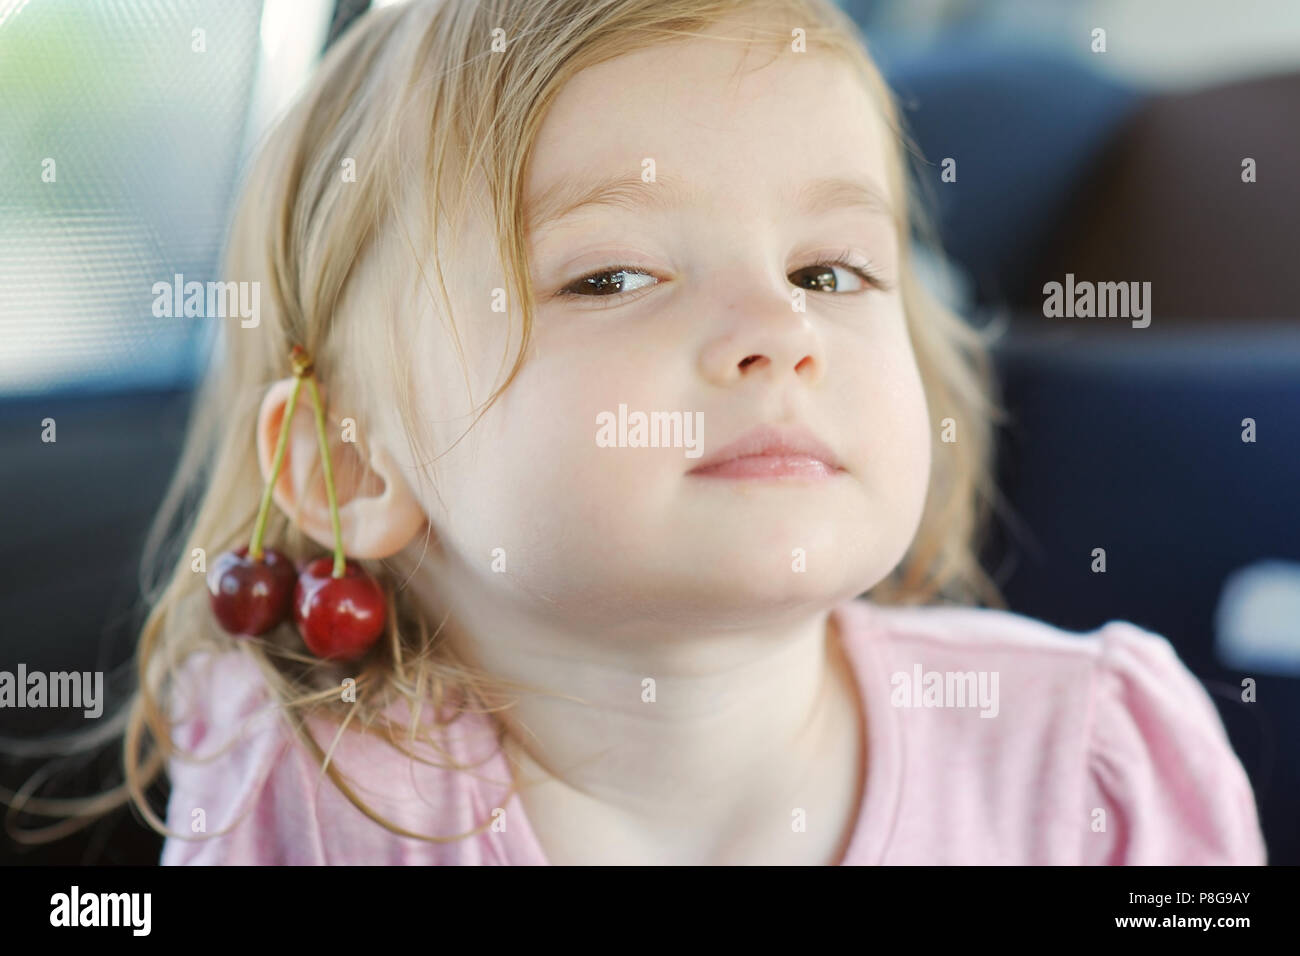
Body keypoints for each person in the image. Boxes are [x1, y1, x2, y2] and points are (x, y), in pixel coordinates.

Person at [56, 0, 1275, 865]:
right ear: (349, 462)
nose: (779, 329)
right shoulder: (309, 790)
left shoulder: (1092, 762)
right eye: (615, 276)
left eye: (832, 269)